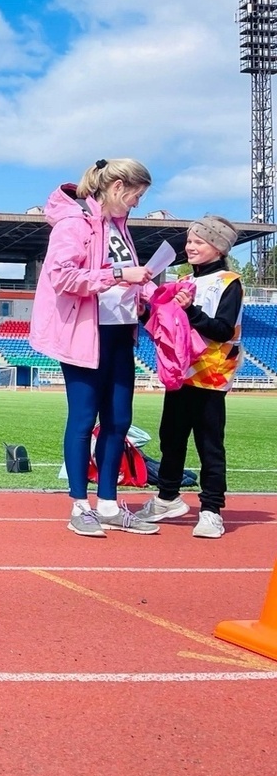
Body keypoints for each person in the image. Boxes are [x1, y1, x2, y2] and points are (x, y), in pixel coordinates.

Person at [29, 158, 159, 537]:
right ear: (118, 186)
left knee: (119, 421)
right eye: (136, 195)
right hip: (87, 334)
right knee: (84, 419)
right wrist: (119, 274)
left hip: (121, 333)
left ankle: (108, 504)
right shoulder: (74, 223)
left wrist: (155, 293)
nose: (137, 203)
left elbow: (130, 281)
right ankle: (79, 506)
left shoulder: (120, 227)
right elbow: (63, 276)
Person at [136, 215, 242, 539]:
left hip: (210, 374)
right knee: (171, 436)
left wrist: (191, 311)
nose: (190, 246)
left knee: (209, 444)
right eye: (189, 240)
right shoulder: (185, 279)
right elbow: (167, 325)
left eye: (199, 241)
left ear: (218, 247)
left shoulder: (230, 282)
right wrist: (144, 311)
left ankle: (211, 510)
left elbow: (223, 330)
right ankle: (168, 497)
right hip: (180, 372)